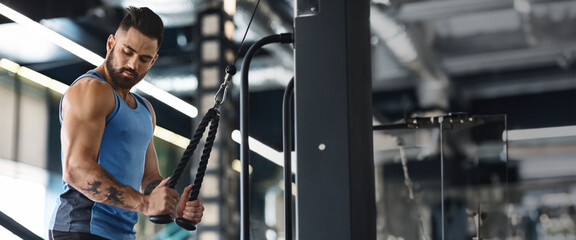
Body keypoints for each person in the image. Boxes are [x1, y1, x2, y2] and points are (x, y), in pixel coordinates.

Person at [48, 6, 204, 240]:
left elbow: (149, 178)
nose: (133, 64)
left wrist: (172, 204)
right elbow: (76, 170)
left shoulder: (145, 110)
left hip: (122, 234)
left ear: (154, 61)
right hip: (82, 229)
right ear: (111, 43)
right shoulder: (91, 90)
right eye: (127, 51)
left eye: (144, 59)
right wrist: (144, 204)